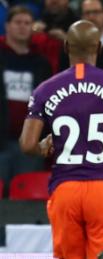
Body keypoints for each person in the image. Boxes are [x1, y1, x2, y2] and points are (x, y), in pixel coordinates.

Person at [19, 20, 103, 259]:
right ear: (98, 47)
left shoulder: (45, 89)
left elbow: (26, 144)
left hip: (64, 190)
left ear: (66, 47)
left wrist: (43, 145)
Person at [0, 5, 52, 194]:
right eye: (18, 22)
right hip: (1, 141)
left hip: (30, 143)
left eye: (27, 23)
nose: (22, 27)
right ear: (7, 25)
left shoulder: (41, 63)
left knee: (26, 197)